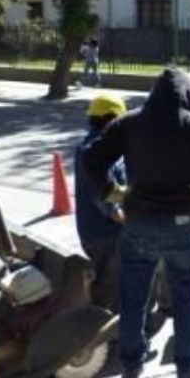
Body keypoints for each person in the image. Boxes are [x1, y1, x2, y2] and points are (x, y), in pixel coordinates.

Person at [82, 69, 190, 378]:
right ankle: (188, 367)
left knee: (134, 297)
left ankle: (132, 366)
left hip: (139, 223)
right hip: (184, 225)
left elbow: (91, 158)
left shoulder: (128, 123)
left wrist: (112, 192)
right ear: (186, 96)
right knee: (185, 298)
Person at [74, 94, 127, 311]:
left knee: (109, 284)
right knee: (109, 290)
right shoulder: (99, 152)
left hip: (92, 230)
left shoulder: (88, 145)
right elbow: (106, 201)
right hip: (106, 235)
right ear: (111, 119)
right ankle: (108, 336)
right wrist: (130, 219)